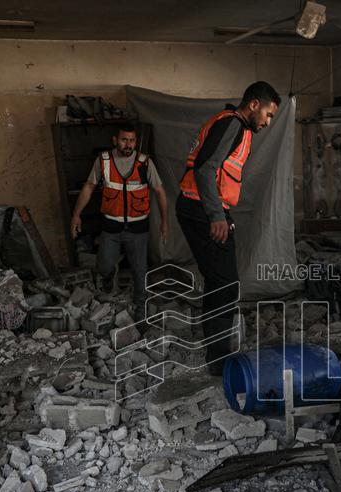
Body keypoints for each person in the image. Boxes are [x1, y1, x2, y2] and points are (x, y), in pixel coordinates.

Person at [176, 81, 281, 375]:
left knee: (217, 280)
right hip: (202, 209)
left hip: (198, 207)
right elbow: (206, 169)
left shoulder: (233, 125)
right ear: (253, 105)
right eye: (268, 115)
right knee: (226, 284)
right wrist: (216, 216)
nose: (268, 122)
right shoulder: (233, 125)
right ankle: (220, 361)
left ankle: (215, 351)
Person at [70, 123, 168, 313]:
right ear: (115, 140)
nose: (128, 144)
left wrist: (165, 222)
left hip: (138, 229)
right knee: (104, 266)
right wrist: (76, 215)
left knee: (140, 271)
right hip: (111, 227)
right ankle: (110, 275)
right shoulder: (104, 161)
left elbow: (160, 191)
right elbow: (88, 188)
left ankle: (141, 307)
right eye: (124, 140)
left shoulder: (144, 163)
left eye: (132, 140)